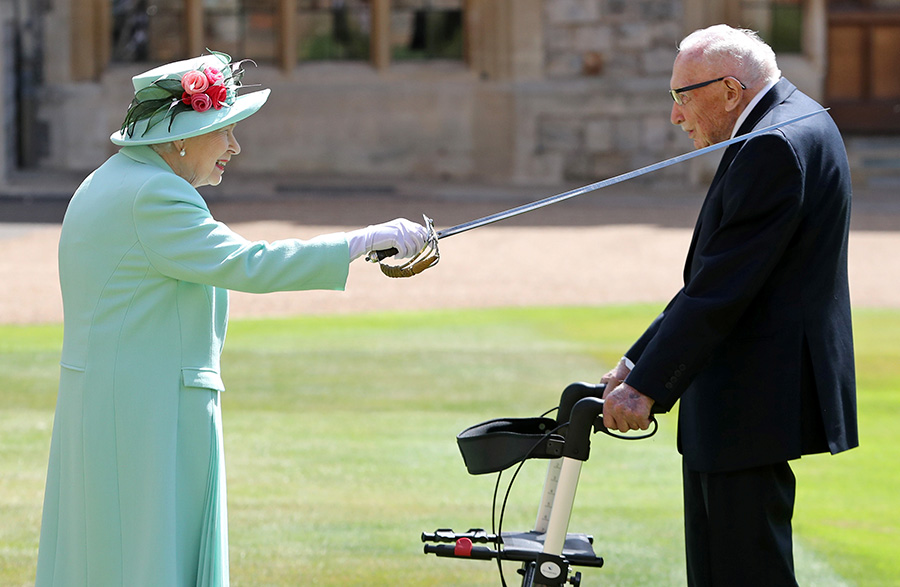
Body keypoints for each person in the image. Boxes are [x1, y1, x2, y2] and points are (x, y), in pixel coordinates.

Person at [35, 52, 428, 586]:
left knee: (108, 556)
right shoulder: (155, 194)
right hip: (145, 413)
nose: (234, 146)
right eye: (223, 130)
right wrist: (361, 241)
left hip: (117, 404)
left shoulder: (110, 180)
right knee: (147, 559)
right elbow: (250, 264)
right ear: (181, 136)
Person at [600, 25, 858, 586]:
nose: (676, 116)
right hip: (748, 392)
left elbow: (723, 289)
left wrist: (645, 386)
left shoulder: (772, 143)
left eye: (682, 97)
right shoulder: (795, 117)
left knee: (744, 571)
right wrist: (635, 361)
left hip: (751, 395)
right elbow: (716, 277)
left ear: (731, 90)